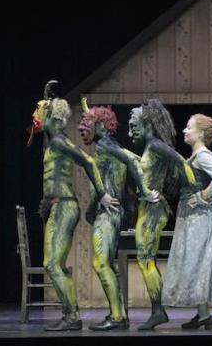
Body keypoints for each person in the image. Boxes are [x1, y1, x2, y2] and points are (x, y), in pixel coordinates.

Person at [27, 80, 119, 331]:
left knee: (52, 264)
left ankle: (72, 316)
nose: (36, 116)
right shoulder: (52, 142)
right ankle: (70, 313)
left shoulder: (58, 141)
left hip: (65, 208)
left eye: (41, 111)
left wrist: (101, 193)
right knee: (55, 264)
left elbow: (89, 162)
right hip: (58, 207)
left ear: (54, 118)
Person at [77, 99, 159, 331]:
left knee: (101, 263)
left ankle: (117, 316)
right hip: (108, 210)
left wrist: (143, 192)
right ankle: (118, 314)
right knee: (106, 264)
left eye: (88, 123)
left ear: (102, 126)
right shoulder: (106, 144)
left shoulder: (105, 145)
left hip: (109, 211)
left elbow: (133, 160)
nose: (82, 128)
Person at [127, 98, 201, 330]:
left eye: (134, 125)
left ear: (148, 123)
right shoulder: (150, 148)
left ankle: (158, 311)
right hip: (146, 207)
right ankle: (157, 310)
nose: (131, 131)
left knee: (145, 258)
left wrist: (194, 192)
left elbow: (181, 162)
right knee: (144, 258)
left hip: (155, 209)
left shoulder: (157, 145)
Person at [162, 114, 212, 330]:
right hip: (193, 216)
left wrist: (203, 196)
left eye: (188, 127)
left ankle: (204, 315)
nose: (184, 131)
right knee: (196, 262)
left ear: (200, 133)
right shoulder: (195, 156)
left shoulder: (203, 155)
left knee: (198, 261)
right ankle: (203, 315)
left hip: (202, 216)